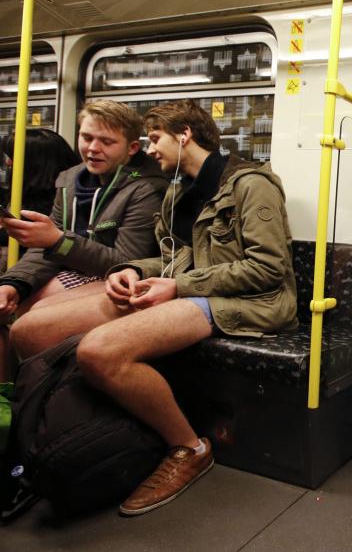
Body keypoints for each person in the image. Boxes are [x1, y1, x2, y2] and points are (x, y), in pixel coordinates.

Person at [9, 99, 297, 515]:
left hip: (249, 302)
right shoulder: (179, 192)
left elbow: (268, 268)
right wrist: (128, 269)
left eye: (156, 138)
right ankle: (60, 431)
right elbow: (170, 256)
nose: (150, 148)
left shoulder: (252, 185)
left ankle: (190, 447)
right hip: (190, 288)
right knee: (28, 329)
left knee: (99, 350)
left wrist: (177, 286)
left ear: (185, 136)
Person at [0, 104, 166, 382]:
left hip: (118, 278)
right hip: (74, 267)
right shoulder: (69, 180)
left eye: (107, 142)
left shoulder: (146, 188)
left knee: (34, 317)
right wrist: (14, 283)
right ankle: (9, 398)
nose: (93, 149)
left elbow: (125, 260)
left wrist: (59, 242)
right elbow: (45, 247)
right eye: (87, 138)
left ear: (132, 148)